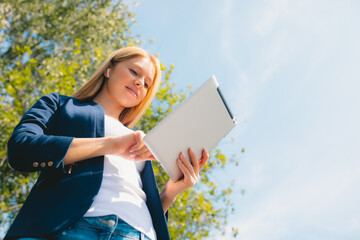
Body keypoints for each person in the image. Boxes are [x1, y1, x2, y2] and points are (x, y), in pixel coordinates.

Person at [4, 46, 209, 240]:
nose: (140, 83)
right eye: (134, 72)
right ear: (109, 69)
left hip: (137, 233)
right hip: (74, 227)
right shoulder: (61, 105)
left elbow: (141, 204)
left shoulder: (138, 138)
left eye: (147, 83)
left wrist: (170, 193)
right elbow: (22, 147)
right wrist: (112, 146)